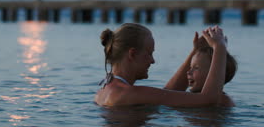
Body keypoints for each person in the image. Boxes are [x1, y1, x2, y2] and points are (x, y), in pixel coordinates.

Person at [95, 23, 228, 107]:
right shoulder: (129, 93)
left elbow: (167, 94)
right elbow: (208, 99)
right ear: (132, 54)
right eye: (149, 54)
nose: (152, 61)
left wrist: (195, 50)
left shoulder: (104, 89)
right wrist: (220, 47)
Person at [165, 32, 237, 107]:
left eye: (196, 68)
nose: (188, 72)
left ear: (215, 71)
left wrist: (219, 47)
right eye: (190, 67)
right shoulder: (195, 97)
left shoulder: (223, 100)